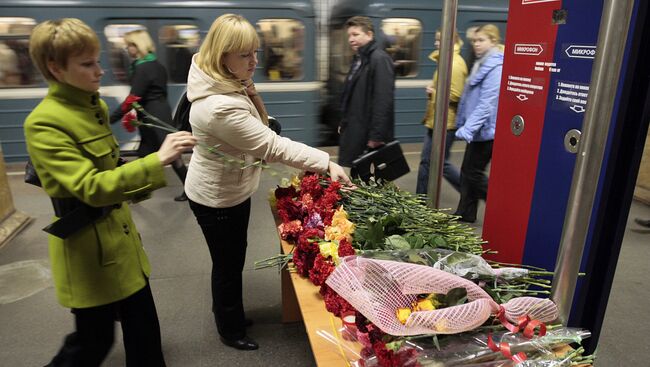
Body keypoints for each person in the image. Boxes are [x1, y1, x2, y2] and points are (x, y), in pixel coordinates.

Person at [23, 18, 197, 366]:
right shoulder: (44, 123)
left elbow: (111, 172)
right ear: (56, 68)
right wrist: (156, 161)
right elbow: (90, 187)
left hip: (122, 244)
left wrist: (141, 180)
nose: (100, 71)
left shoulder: (94, 107)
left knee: (145, 337)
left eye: (97, 60)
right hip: (89, 253)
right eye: (87, 64)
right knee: (91, 343)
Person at [184, 13, 353, 351]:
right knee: (228, 263)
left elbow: (260, 126)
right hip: (217, 197)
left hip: (232, 188)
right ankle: (229, 328)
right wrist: (326, 163)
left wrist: (251, 92)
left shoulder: (225, 83)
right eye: (245, 55)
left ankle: (229, 311)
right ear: (222, 57)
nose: (255, 61)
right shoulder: (219, 106)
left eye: (255, 52)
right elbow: (271, 145)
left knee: (233, 256)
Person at [110, 29, 189, 201]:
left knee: (173, 156)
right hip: (157, 112)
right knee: (143, 153)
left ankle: (192, 190)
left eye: (130, 45)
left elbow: (133, 98)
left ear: (138, 45)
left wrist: (112, 117)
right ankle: (140, 192)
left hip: (154, 115)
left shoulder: (143, 67)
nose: (128, 48)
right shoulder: (155, 64)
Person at [453, 24, 504, 223]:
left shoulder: (495, 67)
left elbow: (487, 103)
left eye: (481, 40)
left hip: (487, 130)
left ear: (493, 41)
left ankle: (499, 204)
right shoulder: (481, 63)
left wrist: (468, 128)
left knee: (473, 173)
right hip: (479, 130)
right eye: (474, 40)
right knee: (467, 172)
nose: (476, 44)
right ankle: (466, 212)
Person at [338, 15, 395, 168]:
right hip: (356, 129)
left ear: (369, 35)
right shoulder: (359, 59)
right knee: (359, 177)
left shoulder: (379, 59)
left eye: (355, 34)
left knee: (371, 182)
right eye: (349, 35)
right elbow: (349, 96)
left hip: (368, 135)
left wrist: (376, 136)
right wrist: (344, 122)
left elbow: (383, 101)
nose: (350, 39)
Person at [416, 29, 468, 195]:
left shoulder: (454, 64)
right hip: (436, 120)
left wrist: (434, 92)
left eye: (439, 40)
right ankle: (421, 200)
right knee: (427, 162)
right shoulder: (446, 61)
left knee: (439, 164)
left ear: (450, 41)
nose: (435, 43)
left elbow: (455, 95)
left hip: (446, 122)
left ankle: (469, 192)